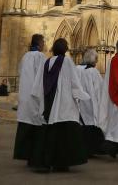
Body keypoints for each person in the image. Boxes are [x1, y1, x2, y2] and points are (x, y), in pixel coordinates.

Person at [28, 38, 88, 172]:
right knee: (64, 136)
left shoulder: (47, 61)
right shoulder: (66, 61)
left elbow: (38, 84)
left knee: (51, 133)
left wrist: (41, 100)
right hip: (64, 103)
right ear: (65, 49)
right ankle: (61, 163)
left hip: (49, 103)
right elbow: (74, 82)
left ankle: (47, 161)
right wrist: (82, 95)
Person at [14, 33, 47, 162]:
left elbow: (20, 72)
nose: (44, 44)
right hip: (36, 97)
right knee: (37, 127)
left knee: (26, 125)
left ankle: (25, 154)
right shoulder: (40, 57)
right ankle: (36, 157)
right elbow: (43, 77)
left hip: (24, 97)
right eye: (43, 42)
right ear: (39, 44)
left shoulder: (25, 57)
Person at [75, 48, 106, 157]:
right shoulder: (93, 71)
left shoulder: (79, 69)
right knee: (92, 124)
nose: (97, 62)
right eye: (96, 59)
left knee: (83, 124)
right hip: (91, 102)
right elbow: (99, 89)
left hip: (81, 101)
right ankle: (94, 149)